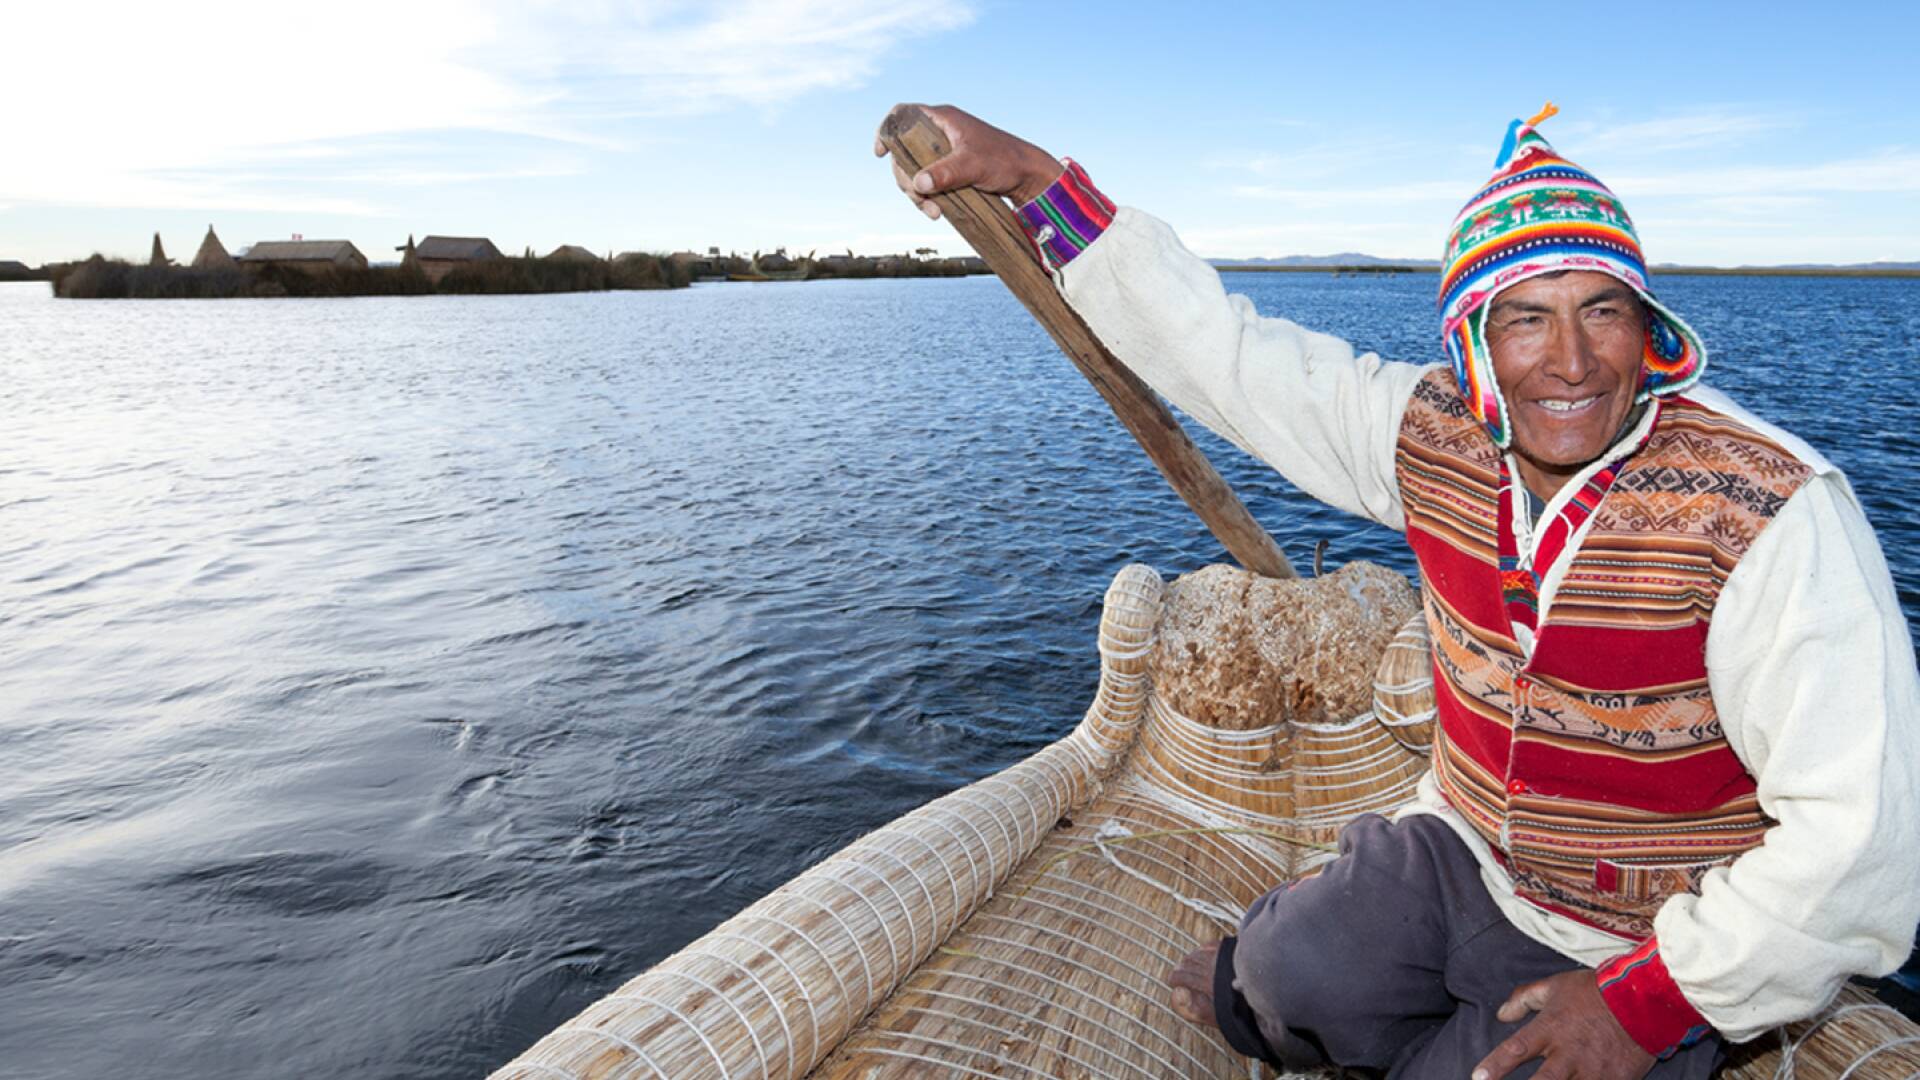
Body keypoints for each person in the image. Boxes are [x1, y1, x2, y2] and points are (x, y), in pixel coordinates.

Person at [878, 103, 1920, 1079]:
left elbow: (1863, 840)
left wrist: (1642, 1004)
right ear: (1471, 337)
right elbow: (1230, 357)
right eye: (1525, 318)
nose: (1570, 361)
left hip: (1650, 938)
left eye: (1602, 310)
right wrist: (1035, 178)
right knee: (1285, 978)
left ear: (1646, 328)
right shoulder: (1434, 434)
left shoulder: (1772, 509)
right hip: (1465, 853)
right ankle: (1273, 998)